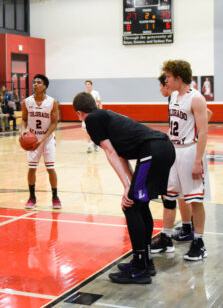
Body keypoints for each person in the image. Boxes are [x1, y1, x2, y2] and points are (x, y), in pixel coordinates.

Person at [73, 91, 175, 283]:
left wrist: (127, 186)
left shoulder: (92, 120)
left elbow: (110, 152)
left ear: (79, 113)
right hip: (163, 149)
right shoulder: (106, 116)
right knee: (139, 204)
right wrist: (129, 184)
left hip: (152, 150)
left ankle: (140, 268)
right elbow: (121, 154)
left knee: (131, 205)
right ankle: (144, 261)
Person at [153, 60, 209, 261]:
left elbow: (203, 131)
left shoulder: (196, 98)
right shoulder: (174, 96)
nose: (166, 80)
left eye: (168, 76)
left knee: (194, 199)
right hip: (173, 151)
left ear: (178, 77)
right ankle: (166, 237)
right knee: (168, 196)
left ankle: (199, 243)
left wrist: (197, 161)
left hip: (189, 151)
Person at [20, 74, 61, 210]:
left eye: (38, 82)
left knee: (50, 168)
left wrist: (42, 140)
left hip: (47, 139)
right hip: (33, 138)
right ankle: (32, 197)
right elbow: (24, 119)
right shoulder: (26, 101)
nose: (35, 84)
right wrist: (23, 130)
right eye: (34, 82)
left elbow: (54, 123)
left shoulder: (52, 102)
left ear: (45, 86)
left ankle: (55, 197)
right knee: (32, 168)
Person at [84, 80, 102, 153]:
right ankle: (89, 146)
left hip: (94, 113)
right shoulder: (84, 94)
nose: (88, 86)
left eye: (89, 84)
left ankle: (96, 144)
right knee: (87, 131)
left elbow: (100, 102)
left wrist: (100, 112)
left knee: (95, 130)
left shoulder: (95, 93)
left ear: (91, 85)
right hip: (86, 114)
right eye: (86, 84)